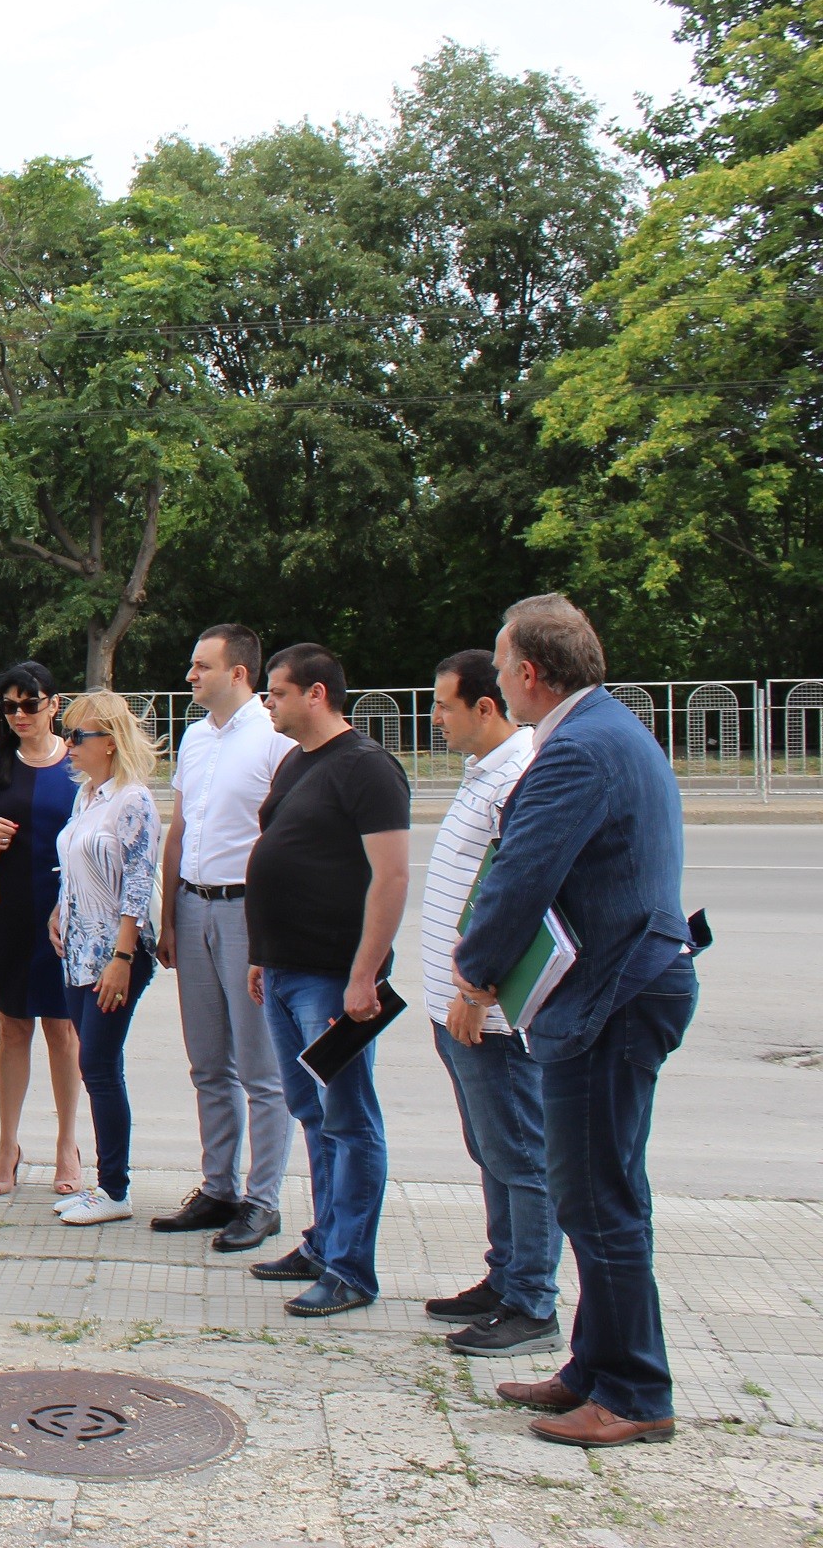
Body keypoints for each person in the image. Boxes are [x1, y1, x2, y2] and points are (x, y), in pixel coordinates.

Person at [458, 595, 699, 1449]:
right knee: (596, 1191)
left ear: (528, 673)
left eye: (498, 662)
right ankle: (594, 1368)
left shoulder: (580, 749)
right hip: (626, 989)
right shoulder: (605, 729)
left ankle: (633, 1390)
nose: (494, 676)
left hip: (614, 999)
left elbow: (521, 874)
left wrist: (474, 972)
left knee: (598, 1202)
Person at [243, 642, 411, 1317]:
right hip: (284, 970)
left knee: (348, 1120)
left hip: (333, 978)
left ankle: (351, 1269)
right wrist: (262, 951)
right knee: (313, 1115)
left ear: (316, 694)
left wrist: (364, 974)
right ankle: (322, 1242)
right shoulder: (295, 762)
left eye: (277, 693)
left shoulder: (367, 769)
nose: (269, 704)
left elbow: (391, 877)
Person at [419, 649, 556, 1358]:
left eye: (444, 705)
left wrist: (478, 990)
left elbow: (513, 895)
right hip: (457, 1006)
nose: (434, 716)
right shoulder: (484, 773)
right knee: (491, 1149)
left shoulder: (523, 774)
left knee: (521, 1152)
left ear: (485, 708)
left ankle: (532, 1301)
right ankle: (504, 1278)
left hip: (489, 1012)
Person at [153, 624, 298, 1253]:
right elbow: (179, 829)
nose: (191, 675)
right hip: (193, 905)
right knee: (208, 1060)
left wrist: (271, 933)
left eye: (201, 665)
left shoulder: (273, 740)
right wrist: (167, 916)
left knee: (261, 1070)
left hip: (247, 912)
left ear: (239, 673)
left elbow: (287, 840)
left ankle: (263, 1198)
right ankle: (219, 1187)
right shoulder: (194, 739)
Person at [0, 662, 82, 1197]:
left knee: (63, 1030)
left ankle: (68, 1146)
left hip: (67, 912)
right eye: (9, 706)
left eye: (30, 704)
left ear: (54, 704)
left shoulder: (78, 758)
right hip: (4, 910)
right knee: (12, 1026)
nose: (20, 714)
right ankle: (8, 1145)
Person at [45, 691, 161, 1226]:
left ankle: (115, 1189)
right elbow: (75, 864)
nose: (68, 745)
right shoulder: (87, 796)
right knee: (91, 1063)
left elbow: (137, 881)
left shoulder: (132, 800)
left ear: (109, 743)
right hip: (77, 950)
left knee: (98, 1065)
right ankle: (105, 1185)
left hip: (115, 954)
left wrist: (123, 953)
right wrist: (58, 910)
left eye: (77, 737)